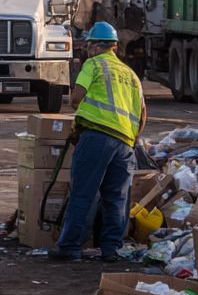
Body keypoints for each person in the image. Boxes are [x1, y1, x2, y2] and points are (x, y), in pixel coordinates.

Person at [49, 21, 146, 263]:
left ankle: (70, 246)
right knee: (117, 197)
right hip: (125, 142)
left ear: (94, 46)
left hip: (97, 137)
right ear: (114, 46)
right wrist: (132, 138)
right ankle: (110, 249)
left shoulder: (92, 65)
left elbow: (75, 99)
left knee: (83, 193)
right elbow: (143, 113)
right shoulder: (131, 75)